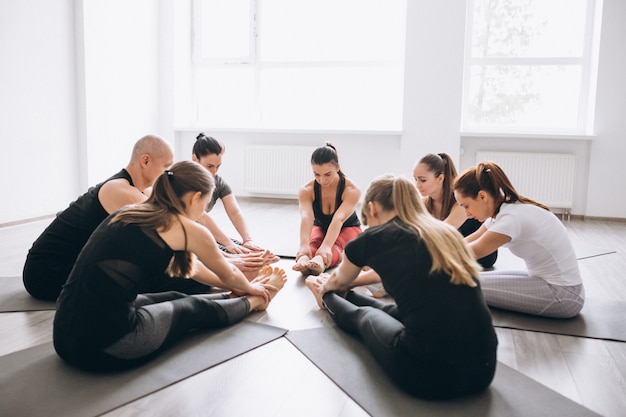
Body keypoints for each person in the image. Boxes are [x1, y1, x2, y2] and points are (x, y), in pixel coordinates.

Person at [53, 160, 287, 371]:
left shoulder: (131, 212)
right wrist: (253, 289)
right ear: (195, 197)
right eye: (205, 204)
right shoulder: (188, 229)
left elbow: (197, 270)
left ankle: (234, 297)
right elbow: (229, 272)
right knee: (191, 308)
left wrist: (237, 286)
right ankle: (256, 301)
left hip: (63, 334)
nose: (202, 212)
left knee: (173, 295)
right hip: (107, 345)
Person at [305, 174, 497, 399]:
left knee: (364, 316)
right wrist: (346, 290)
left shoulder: (373, 239)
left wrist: (323, 288)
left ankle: (321, 297)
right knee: (394, 312)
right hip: (484, 369)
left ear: (372, 208)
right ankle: (345, 297)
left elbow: (337, 281)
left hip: (428, 375)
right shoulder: (445, 234)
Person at [22, 135, 176, 301]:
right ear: (145, 161)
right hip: (46, 273)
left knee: (169, 277)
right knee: (163, 280)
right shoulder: (119, 190)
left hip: (68, 267)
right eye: (166, 168)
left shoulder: (138, 190)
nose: (168, 175)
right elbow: (172, 227)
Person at [453, 161, 584, 318]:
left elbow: (472, 252)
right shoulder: (504, 210)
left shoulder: (511, 218)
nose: (466, 213)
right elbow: (466, 242)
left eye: (466, 205)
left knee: (459, 284)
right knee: (465, 278)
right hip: (546, 282)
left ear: (482, 196)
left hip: (564, 295)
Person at [191, 133, 279, 272]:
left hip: (203, 232)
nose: (214, 171)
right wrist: (227, 243)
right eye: (209, 166)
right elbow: (201, 217)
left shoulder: (218, 182)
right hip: (187, 236)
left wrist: (247, 240)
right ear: (195, 159)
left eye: (218, 166)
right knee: (231, 255)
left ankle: (246, 259)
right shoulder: (185, 180)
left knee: (246, 252)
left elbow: (235, 212)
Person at [414, 153, 497, 269]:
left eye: (423, 180)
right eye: (415, 179)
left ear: (440, 178)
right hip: (453, 251)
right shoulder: (424, 203)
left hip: (481, 254)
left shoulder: (459, 202)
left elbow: (441, 233)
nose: (417, 185)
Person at [293, 142, 362, 275]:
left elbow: (339, 219)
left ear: (338, 168)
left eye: (327, 174)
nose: (322, 180)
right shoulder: (306, 190)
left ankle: (320, 262)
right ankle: (304, 260)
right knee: (313, 244)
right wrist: (303, 246)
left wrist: (325, 247)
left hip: (348, 227)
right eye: (317, 174)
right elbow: (307, 217)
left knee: (335, 246)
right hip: (321, 226)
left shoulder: (352, 190)